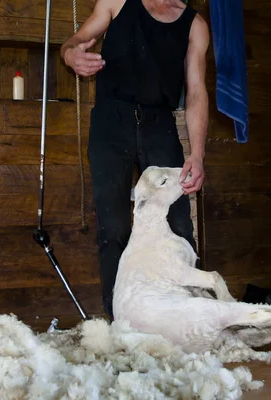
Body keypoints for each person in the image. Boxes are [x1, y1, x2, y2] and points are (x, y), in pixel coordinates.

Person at [61, 0, 209, 319]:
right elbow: (75, 41)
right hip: (111, 123)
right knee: (113, 227)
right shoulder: (116, 2)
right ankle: (122, 325)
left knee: (178, 222)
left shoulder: (195, 25)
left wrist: (197, 154)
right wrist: (72, 55)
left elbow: (196, 90)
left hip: (160, 125)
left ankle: (187, 315)